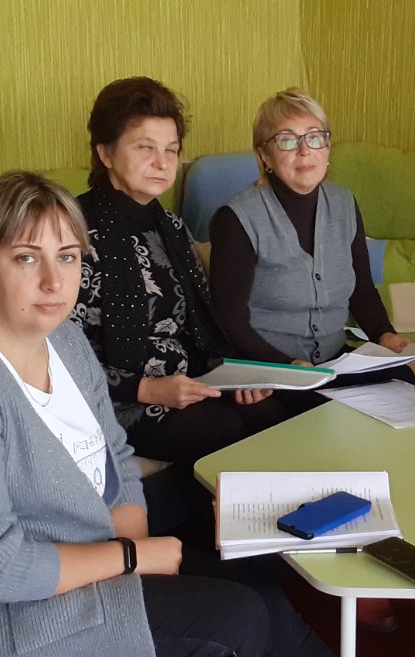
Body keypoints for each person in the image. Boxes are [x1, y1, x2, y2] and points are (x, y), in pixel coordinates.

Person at [0, 172, 410, 657]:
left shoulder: (63, 342)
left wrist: (132, 535)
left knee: (260, 588)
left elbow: (116, 452)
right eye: (26, 258)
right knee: (238, 620)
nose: (54, 281)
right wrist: (133, 557)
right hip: (15, 628)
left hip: (90, 570)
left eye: (67, 256)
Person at [72, 77, 285, 468]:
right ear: (105, 153)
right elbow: (55, 354)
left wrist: (234, 377)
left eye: (171, 150)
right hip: (118, 398)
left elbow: (200, 328)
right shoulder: (70, 233)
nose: (162, 162)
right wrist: (148, 389)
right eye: (145, 148)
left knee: (269, 410)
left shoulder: (170, 226)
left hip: (187, 383)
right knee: (219, 427)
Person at [209, 87, 415, 415]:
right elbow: (230, 320)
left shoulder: (344, 202)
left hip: (334, 362)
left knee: (404, 383)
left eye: (315, 137)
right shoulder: (236, 218)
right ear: (265, 156)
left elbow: (361, 288)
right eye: (287, 140)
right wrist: (288, 365)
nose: (305, 150)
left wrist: (384, 334)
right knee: (315, 414)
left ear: (327, 147)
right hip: (271, 368)